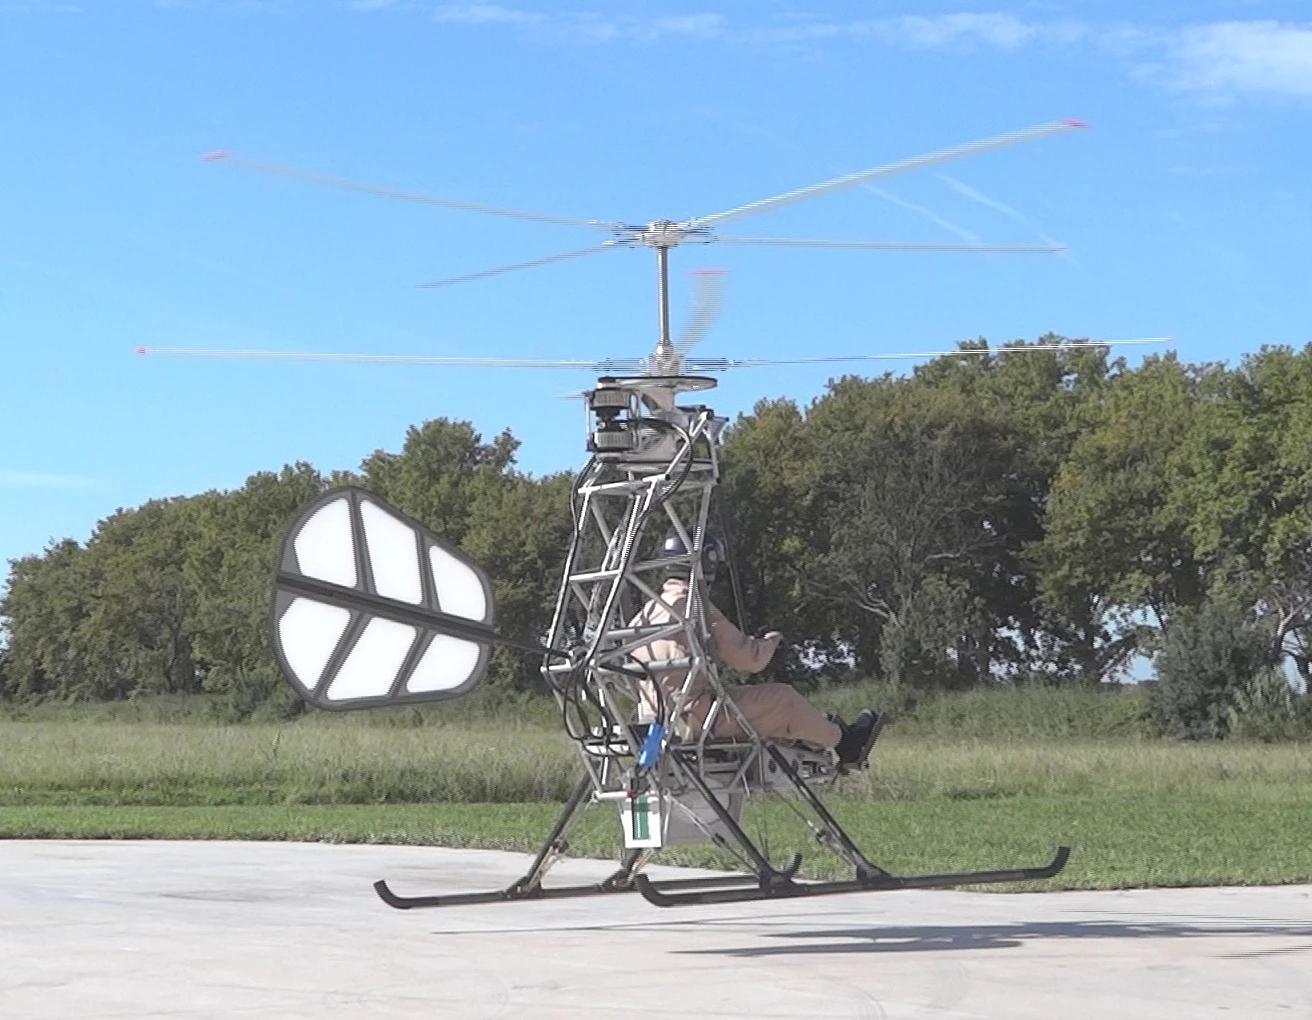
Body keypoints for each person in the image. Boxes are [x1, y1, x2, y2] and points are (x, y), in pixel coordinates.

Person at [629, 531, 881, 767]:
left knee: (757, 704)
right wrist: (771, 642)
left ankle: (813, 735)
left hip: (655, 721)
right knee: (783, 699)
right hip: (699, 718)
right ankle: (846, 742)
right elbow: (749, 659)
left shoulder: (644, 616)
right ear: (708, 563)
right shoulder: (694, 609)